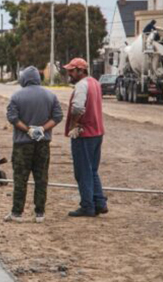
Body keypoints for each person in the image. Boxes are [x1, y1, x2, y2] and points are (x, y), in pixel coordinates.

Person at [5, 66, 64, 223]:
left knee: (20, 179)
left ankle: (17, 213)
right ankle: (40, 213)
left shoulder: (16, 96)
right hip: (43, 144)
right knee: (41, 178)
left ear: (24, 79)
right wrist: (42, 129)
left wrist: (28, 130)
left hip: (22, 144)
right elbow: (58, 116)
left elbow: (12, 117)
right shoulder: (50, 96)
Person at [63, 58, 107, 217]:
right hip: (97, 132)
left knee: (83, 171)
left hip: (84, 133)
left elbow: (78, 108)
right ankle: (100, 202)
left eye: (71, 71)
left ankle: (88, 206)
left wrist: (73, 125)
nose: (69, 73)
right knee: (92, 170)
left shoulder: (81, 85)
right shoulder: (94, 82)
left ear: (81, 71)